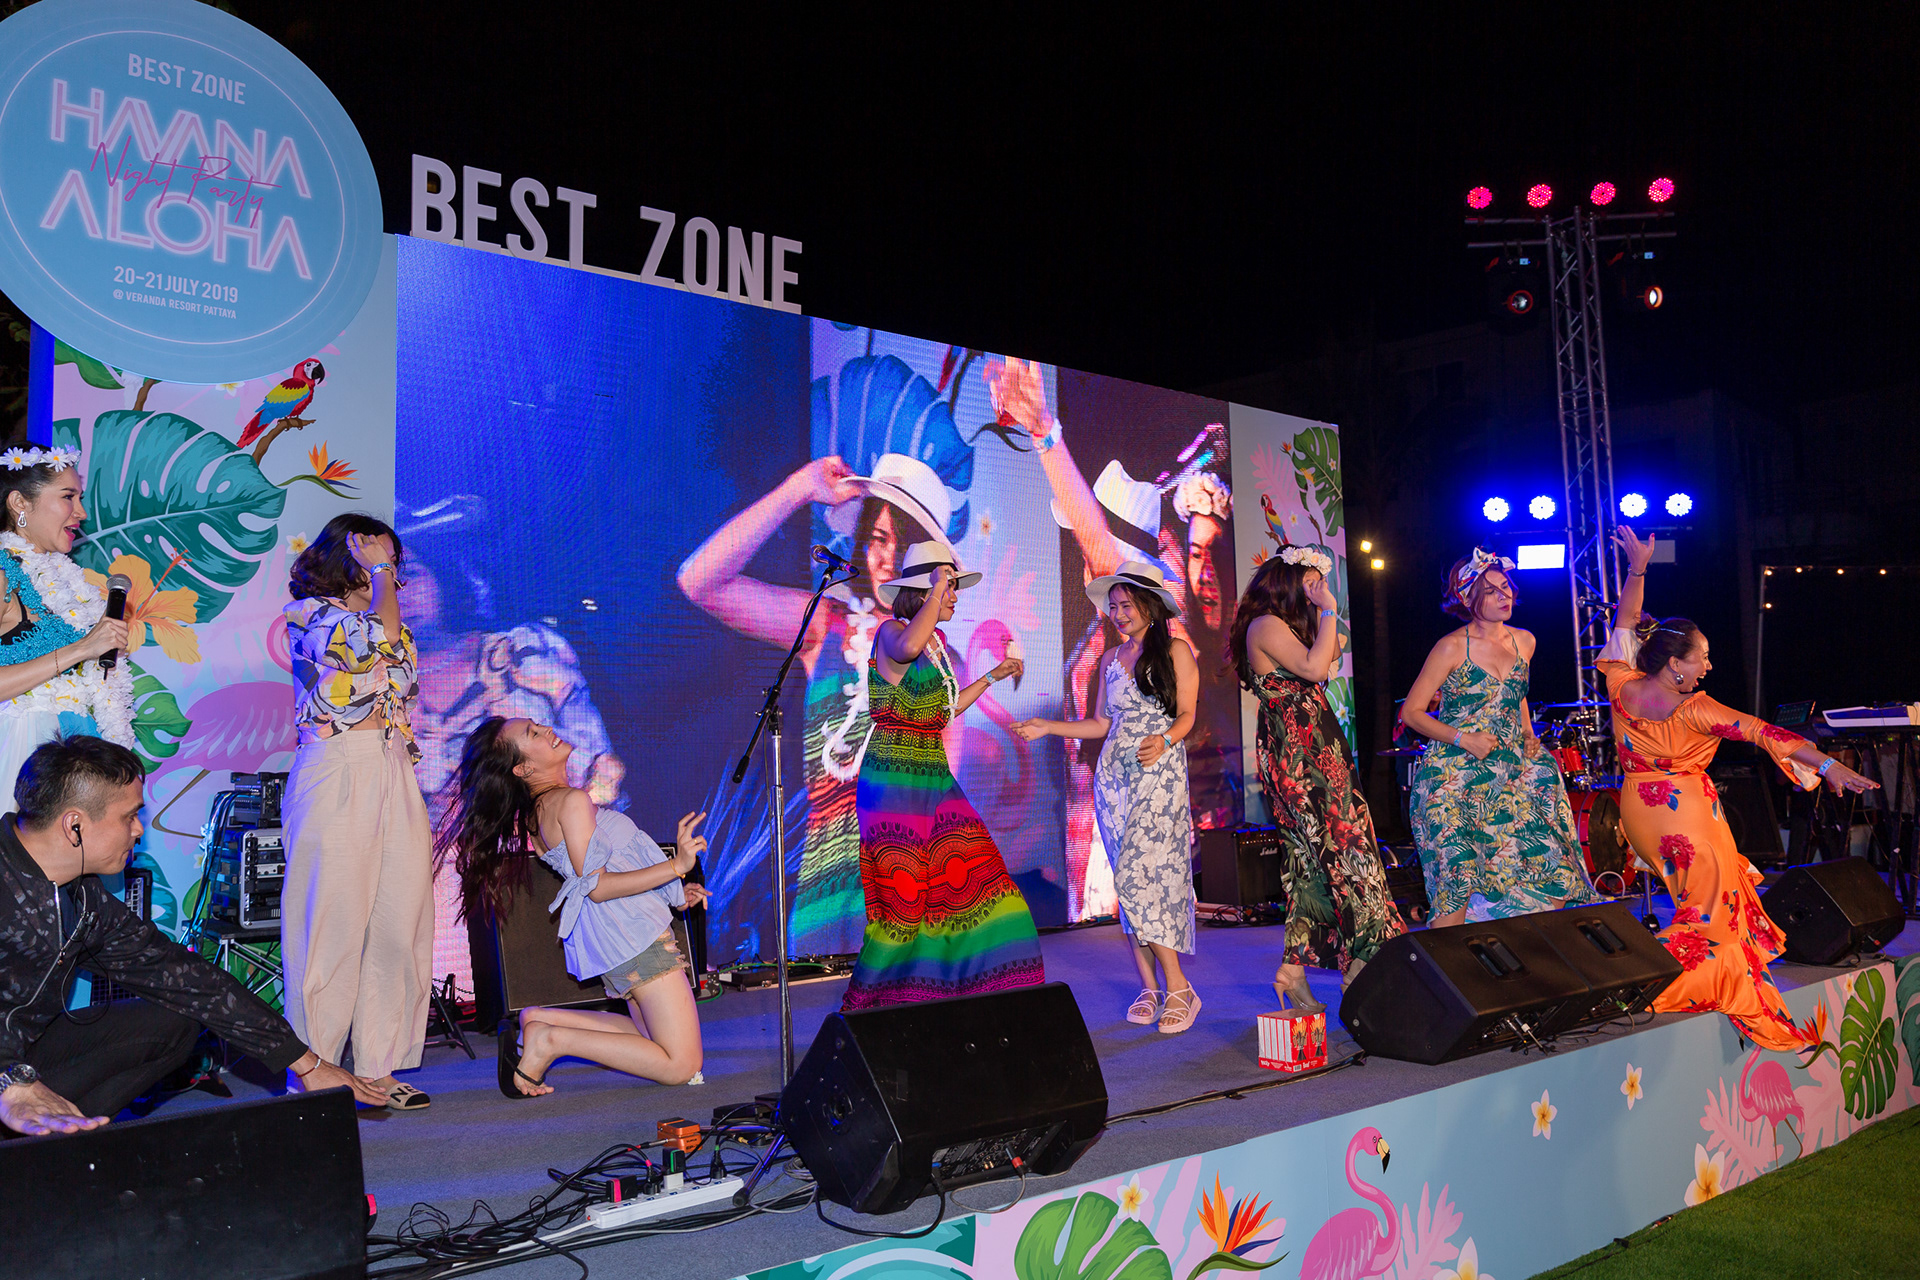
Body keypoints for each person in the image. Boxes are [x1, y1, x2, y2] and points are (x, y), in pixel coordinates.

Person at [0, 736, 386, 1137]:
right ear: (74, 825)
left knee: (173, 1021)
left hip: (22, 1058)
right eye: (129, 817)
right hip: (6, 1075)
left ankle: (60, 1136)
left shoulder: (82, 897)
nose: (138, 830)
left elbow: (186, 978)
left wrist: (308, 1064)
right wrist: (9, 1081)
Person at [1599, 527, 1876, 1050]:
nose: (1708, 665)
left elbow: (1625, 622)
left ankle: (1662, 977)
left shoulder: (1620, 683)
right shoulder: (1697, 708)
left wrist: (1638, 568)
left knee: (1697, 903)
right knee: (1711, 916)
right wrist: (1829, 767)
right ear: (1674, 665)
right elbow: (1767, 733)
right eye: (1701, 656)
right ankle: (1662, 985)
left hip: (1639, 810)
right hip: (1686, 814)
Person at [678, 452, 950, 954]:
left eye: (904, 544)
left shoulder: (941, 658)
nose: (887, 558)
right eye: (878, 539)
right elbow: (699, 582)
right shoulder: (828, 623)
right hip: (832, 886)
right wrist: (797, 489)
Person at [436, 717, 709, 1096]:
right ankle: (552, 1041)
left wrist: (674, 887)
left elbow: (608, 869)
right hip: (634, 934)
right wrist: (676, 865)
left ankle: (544, 1022)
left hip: (619, 933)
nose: (547, 729)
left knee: (650, 1038)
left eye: (537, 725)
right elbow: (597, 886)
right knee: (681, 1064)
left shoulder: (544, 809)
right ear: (523, 768)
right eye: (533, 734)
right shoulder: (570, 802)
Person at [280, 514, 435, 1110]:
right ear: (346, 557)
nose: (386, 571)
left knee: (399, 921)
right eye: (376, 559)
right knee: (331, 924)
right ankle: (315, 1071)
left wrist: (383, 585)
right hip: (336, 767)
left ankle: (378, 1066)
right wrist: (381, 577)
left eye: (391, 562)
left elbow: (399, 663)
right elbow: (370, 647)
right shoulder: (307, 614)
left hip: (394, 767)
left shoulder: (393, 622)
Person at [844, 544, 1040, 1010]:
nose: (954, 596)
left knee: (979, 880)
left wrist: (992, 676)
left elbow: (945, 710)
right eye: (949, 586)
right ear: (923, 589)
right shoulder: (892, 632)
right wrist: (936, 588)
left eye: (952, 588)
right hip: (893, 782)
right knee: (902, 907)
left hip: (934, 776)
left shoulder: (934, 648)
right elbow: (907, 647)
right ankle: (865, 1013)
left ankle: (963, 993)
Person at [1013, 562, 1201, 1032]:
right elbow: (1101, 723)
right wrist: (1049, 726)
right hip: (1114, 779)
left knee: (1144, 876)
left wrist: (1166, 740)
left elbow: (1187, 714)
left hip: (1158, 773)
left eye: (1126, 604)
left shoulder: (1175, 650)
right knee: (1127, 881)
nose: (1118, 613)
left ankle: (1180, 987)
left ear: (1150, 606)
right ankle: (1151, 988)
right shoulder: (1110, 658)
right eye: (1113, 606)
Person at [1229, 550, 1406, 1012]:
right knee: (1347, 849)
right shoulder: (1265, 624)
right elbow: (1314, 669)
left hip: (1315, 745)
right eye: (1309, 582)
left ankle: (1294, 968)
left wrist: (1324, 614)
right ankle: (1364, 960)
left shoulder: (1286, 626)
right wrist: (1327, 608)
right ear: (1287, 583)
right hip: (1299, 752)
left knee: (1311, 861)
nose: (1318, 590)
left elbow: (1330, 654)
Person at [1400, 549, 1602, 926]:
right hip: (1454, 780)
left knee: (1552, 868)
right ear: (1467, 599)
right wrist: (1464, 738)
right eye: (1490, 591)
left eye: (1505, 586)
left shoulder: (1525, 641)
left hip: (1510, 775)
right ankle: (1447, 961)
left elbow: (1516, 692)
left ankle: (1513, 951)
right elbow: (1411, 713)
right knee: (1458, 882)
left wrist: (1528, 734)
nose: (1503, 595)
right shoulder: (1451, 647)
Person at [1, 445, 135, 797]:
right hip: (26, 748)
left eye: (80, 498)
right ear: (19, 503)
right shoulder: (2, 571)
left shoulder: (67, 580)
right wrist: (81, 649)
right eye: (67, 496)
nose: (82, 512)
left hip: (81, 742)